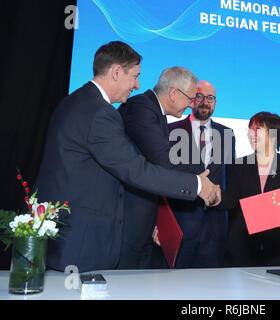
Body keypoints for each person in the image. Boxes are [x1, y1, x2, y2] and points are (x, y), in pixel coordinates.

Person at [33, 41, 219, 273]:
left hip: (67, 233)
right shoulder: (99, 113)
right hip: (81, 240)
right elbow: (135, 169)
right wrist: (197, 184)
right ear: (116, 72)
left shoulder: (75, 101)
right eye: (135, 76)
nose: (137, 84)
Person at [117, 66, 209, 269]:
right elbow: (162, 162)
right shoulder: (141, 107)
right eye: (191, 98)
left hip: (143, 223)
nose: (192, 105)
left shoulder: (154, 113)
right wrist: (200, 183)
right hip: (128, 223)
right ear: (174, 93)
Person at [163, 80, 236, 268]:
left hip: (216, 231)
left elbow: (231, 179)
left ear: (215, 102)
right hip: (181, 228)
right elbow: (162, 178)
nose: (205, 101)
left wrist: (221, 199)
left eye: (210, 98)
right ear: (191, 100)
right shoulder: (171, 131)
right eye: (200, 96)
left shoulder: (227, 134)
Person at [219, 112, 280, 267]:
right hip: (243, 248)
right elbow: (231, 200)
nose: (251, 134)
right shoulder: (239, 164)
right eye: (250, 129)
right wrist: (213, 195)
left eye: (258, 130)